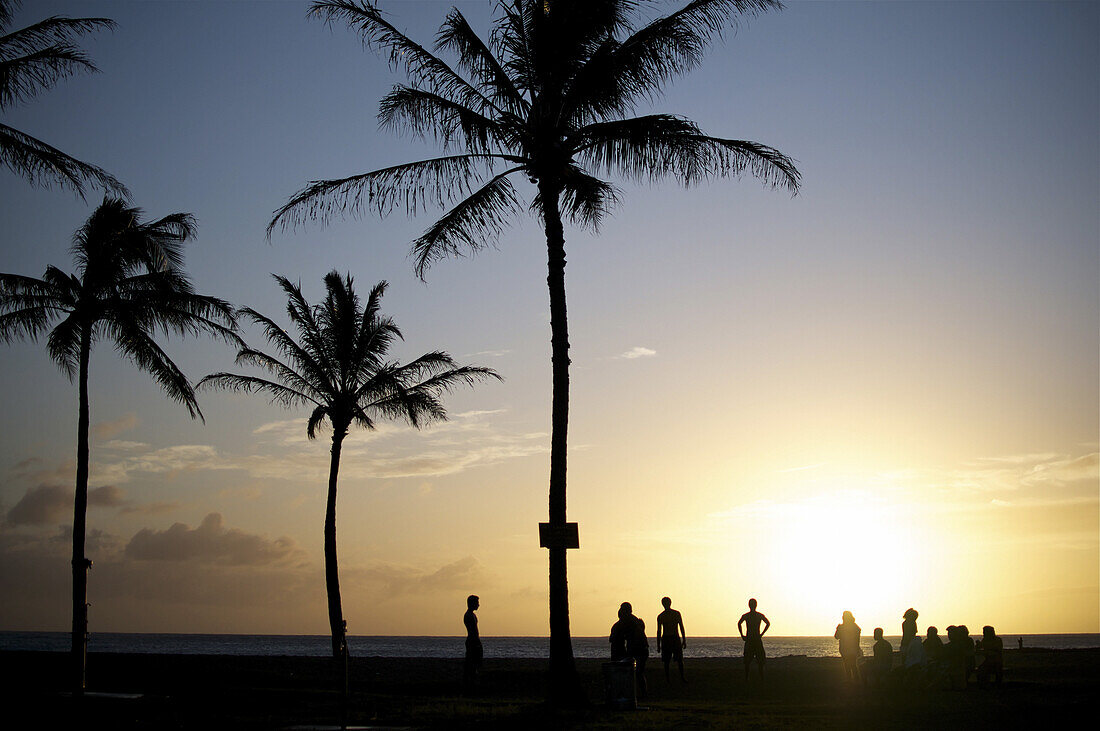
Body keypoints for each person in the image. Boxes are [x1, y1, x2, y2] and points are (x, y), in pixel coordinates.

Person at [610, 602, 649, 698]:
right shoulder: (631, 621)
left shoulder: (631, 622)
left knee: (637, 673)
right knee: (637, 673)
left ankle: (641, 694)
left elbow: (634, 637)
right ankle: (640, 694)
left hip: (638, 650)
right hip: (638, 650)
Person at [737, 598, 771, 680]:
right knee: (755, 661)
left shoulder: (747, 616)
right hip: (754, 639)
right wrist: (761, 634)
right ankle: (757, 678)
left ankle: (749, 678)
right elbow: (768, 623)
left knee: (751, 661)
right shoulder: (756, 615)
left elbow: (739, 623)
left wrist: (742, 635)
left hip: (752, 639)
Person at [656, 596, 687, 682]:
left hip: (672, 638)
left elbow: (681, 627)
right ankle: (671, 678)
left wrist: (684, 640)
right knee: (669, 661)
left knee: (677, 660)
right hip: (669, 638)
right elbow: (659, 631)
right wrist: (658, 645)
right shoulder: (663, 616)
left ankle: (678, 678)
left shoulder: (671, 614)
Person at [835, 611, 862, 682]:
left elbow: (837, 636)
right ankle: (855, 680)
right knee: (853, 665)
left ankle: (850, 680)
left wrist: (838, 629)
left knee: (848, 665)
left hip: (846, 648)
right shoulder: (855, 627)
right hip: (852, 649)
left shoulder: (842, 627)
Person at [463, 595, 482, 690]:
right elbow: (473, 631)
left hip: (474, 640)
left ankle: (472, 682)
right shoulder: (468, 615)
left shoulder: (472, 615)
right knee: (472, 663)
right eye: (477, 602)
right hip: (472, 641)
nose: (478, 605)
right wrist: (477, 642)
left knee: (475, 663)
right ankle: (470, 684)